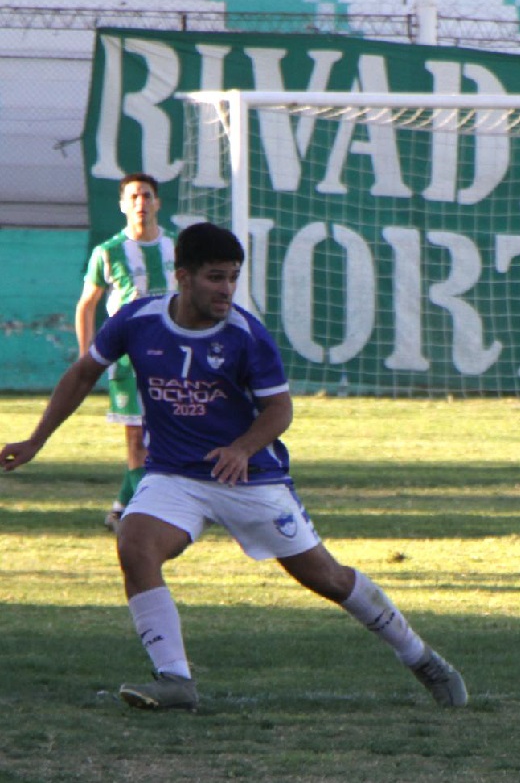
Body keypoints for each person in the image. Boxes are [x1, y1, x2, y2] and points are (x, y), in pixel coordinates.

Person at [3, 222, 467, 712]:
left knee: (326, 578)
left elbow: (279, 410)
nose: (226, 289)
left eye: (232, 278)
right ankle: (175, 679)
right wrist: (36, 439)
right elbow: (82, 374)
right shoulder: (137, 319)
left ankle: (423, 659)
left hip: (251, 479)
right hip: (174, 475)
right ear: (183, 276)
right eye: (215, 277)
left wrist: (243, 448)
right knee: (134, 543)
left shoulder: (246, 335)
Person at [75, 172, 177, 532]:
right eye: (133, 197)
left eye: (147, 196)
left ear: (158, 203)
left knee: (165, 437)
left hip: (172, 356)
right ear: (122, 205)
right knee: (136, 437)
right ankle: (145, 516)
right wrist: (85, 354)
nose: (141, 204)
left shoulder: (176, 248)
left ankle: (121, 508)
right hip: (127, 360)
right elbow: (87, 305)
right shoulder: (108, 252)